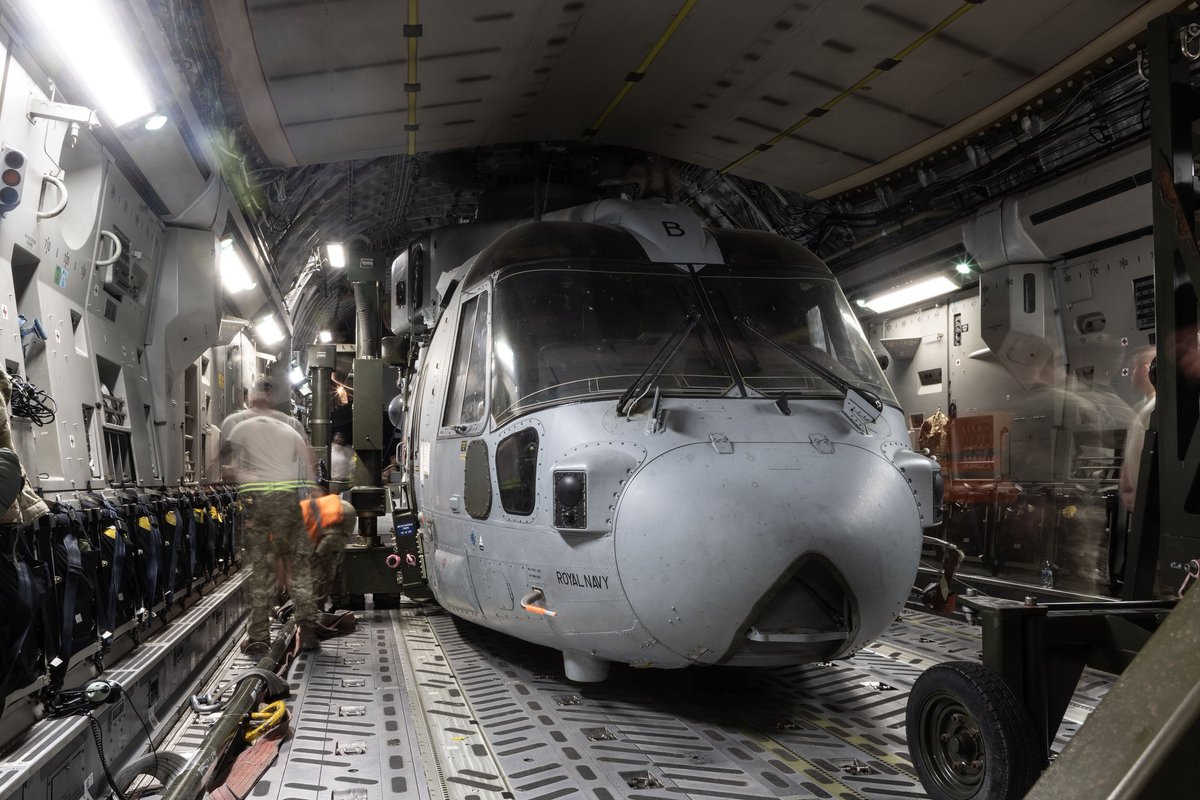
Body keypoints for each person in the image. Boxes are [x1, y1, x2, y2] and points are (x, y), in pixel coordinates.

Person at [224, 377, 321, 654]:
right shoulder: (289, 427)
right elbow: (309, 460)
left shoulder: (240, 425)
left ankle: (258, 637)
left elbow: (222, 462)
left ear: (249, 399)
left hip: (259, 503)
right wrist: (312, 491)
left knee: (261, 569)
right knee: (299, 568)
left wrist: (239, 474)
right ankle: (309, 630)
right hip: (289, 501)